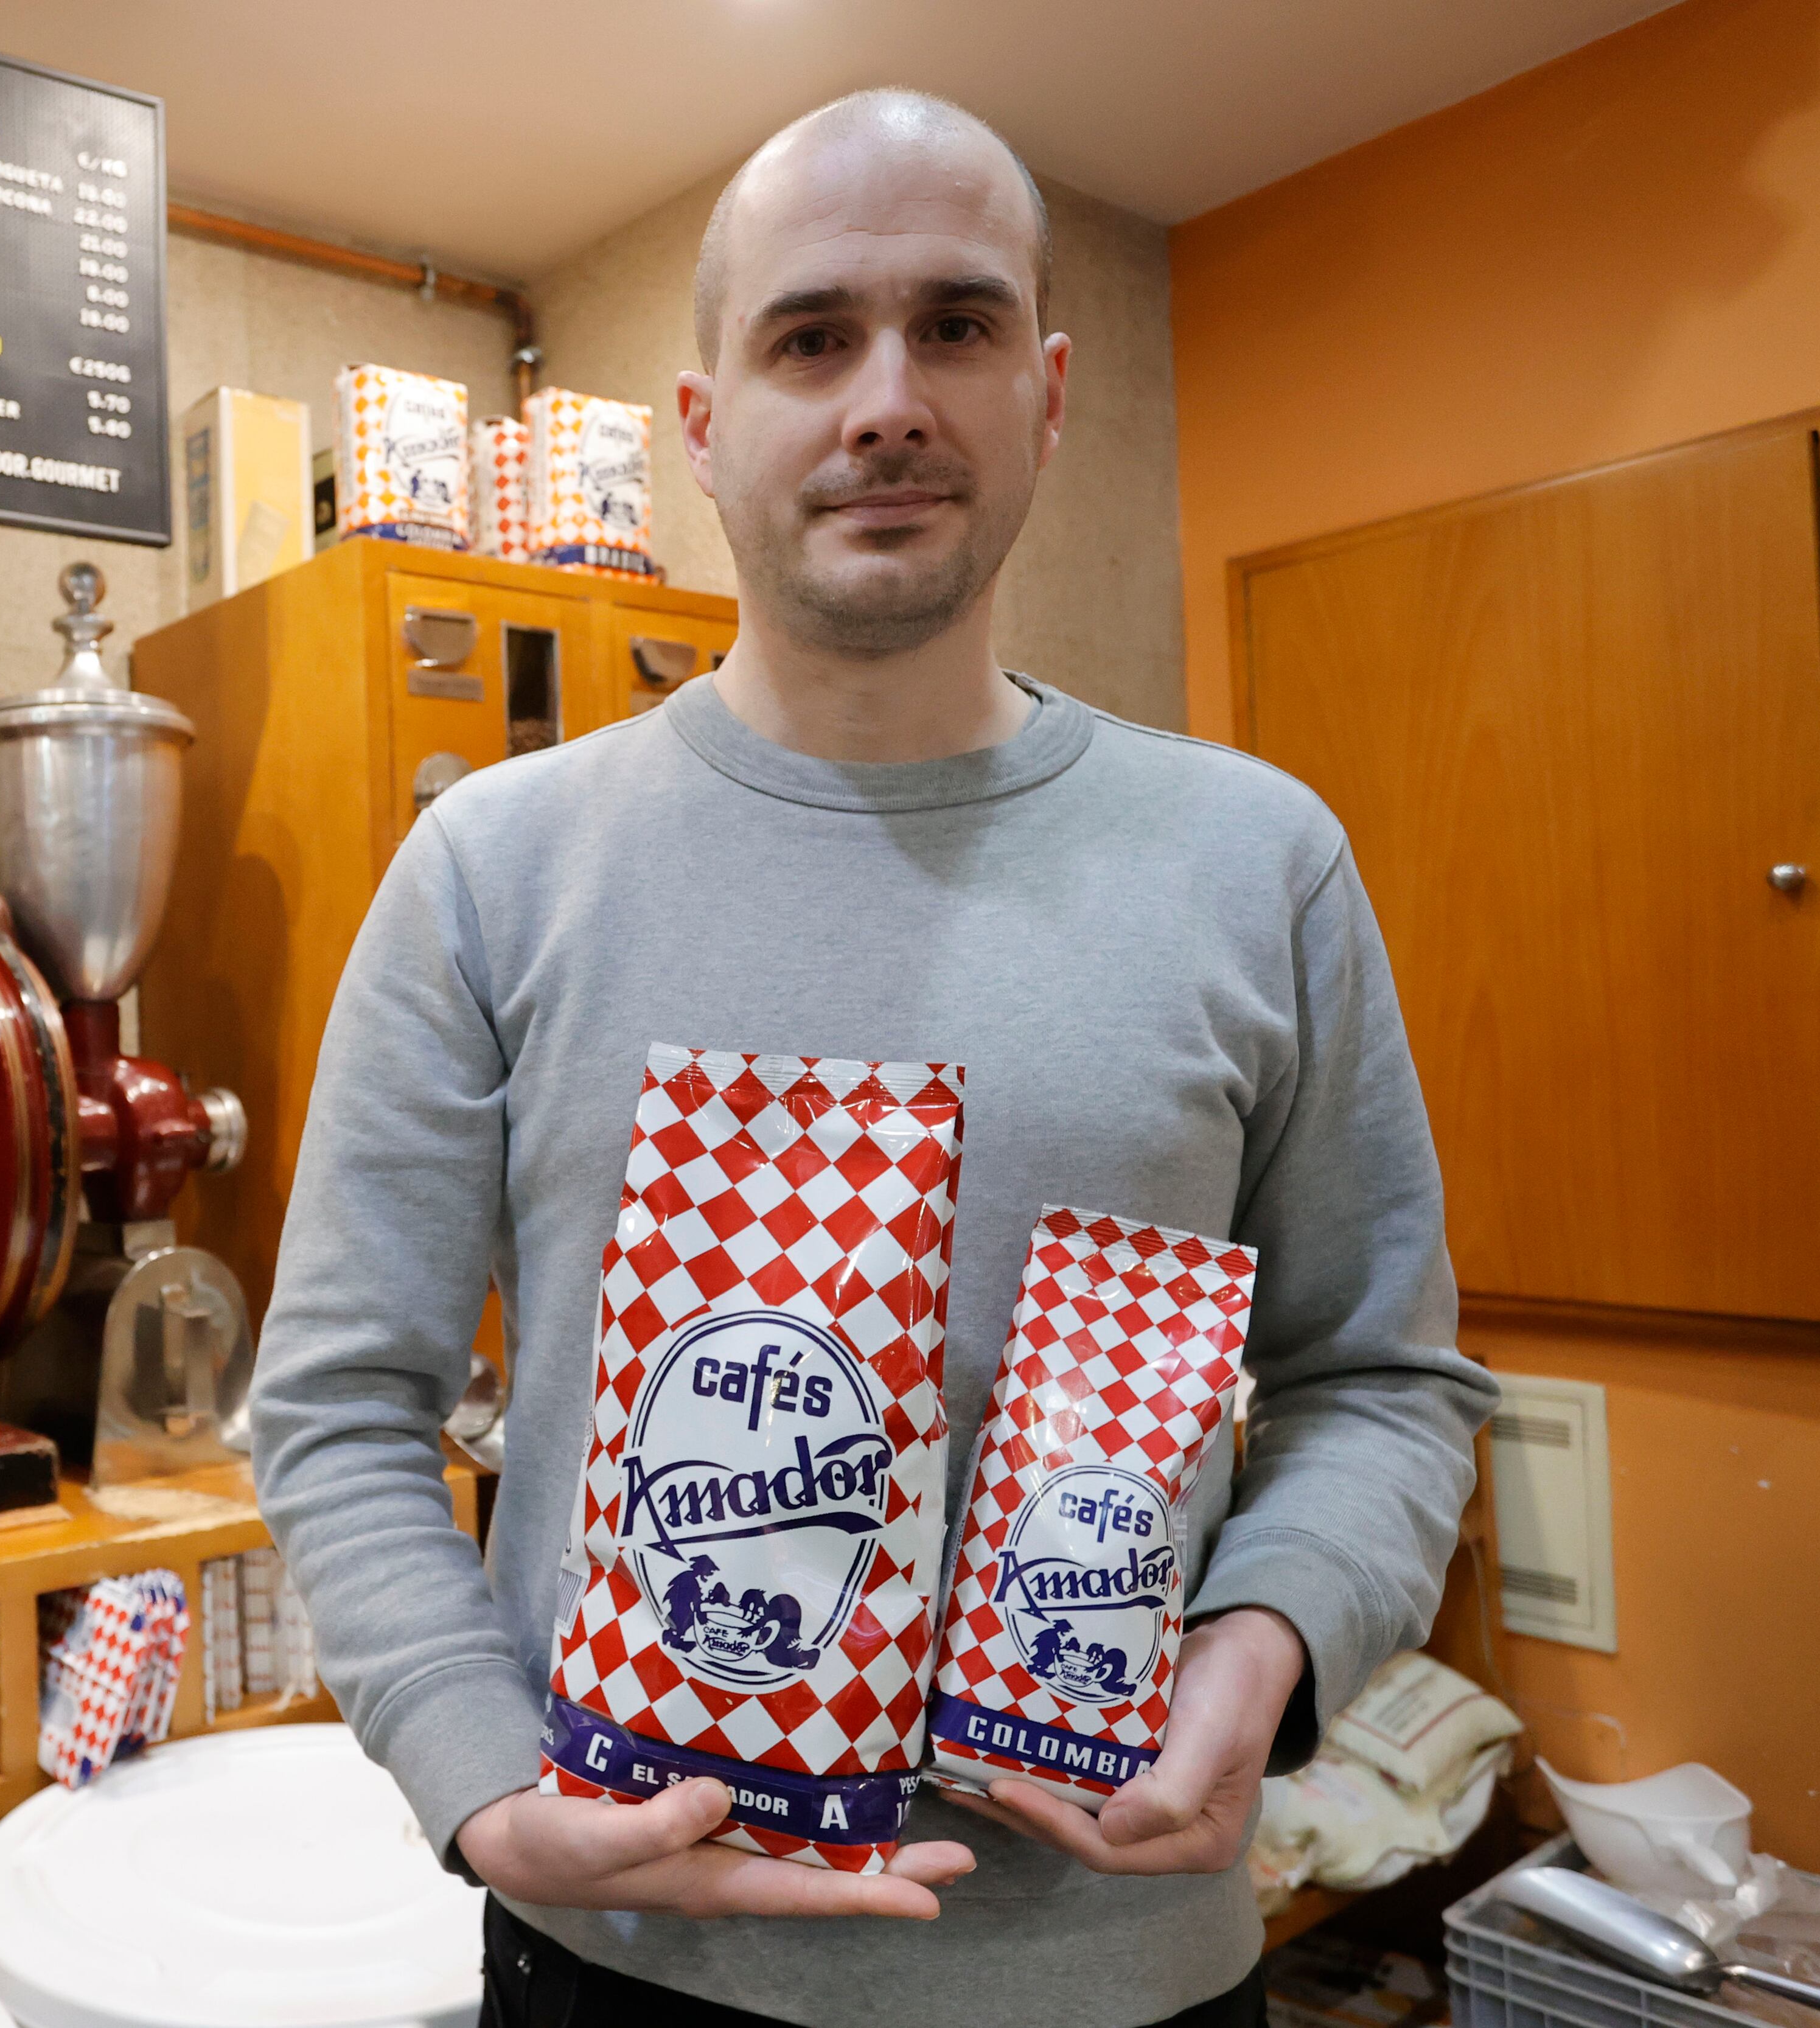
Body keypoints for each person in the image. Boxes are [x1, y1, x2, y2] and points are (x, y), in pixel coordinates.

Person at [248, 86, 1496, 2028]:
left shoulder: (1261, 864)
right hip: (623, 1965)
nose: (888, 398)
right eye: (813, 336)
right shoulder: (490, 875)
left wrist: (1262, 1657)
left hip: (1129, 1979)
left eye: (960, 327)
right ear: (703, 424)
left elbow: (1386, 1380)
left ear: (1051, 391)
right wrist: (481, 1783)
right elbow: (338, 1404)